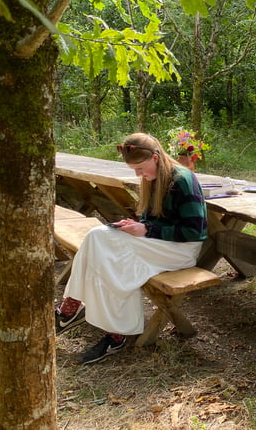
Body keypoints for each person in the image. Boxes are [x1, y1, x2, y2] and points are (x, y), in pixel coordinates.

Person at [55, 133, 209, 364]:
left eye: (140, 168)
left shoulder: (182, 179)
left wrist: (147, 231)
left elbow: (195, 231)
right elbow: (155, 221)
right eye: (134, 170)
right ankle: (108, 328)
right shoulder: (153, 179)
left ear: (156, 157)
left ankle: (73, 310)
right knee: (102, 244)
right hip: (160, 245)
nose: (138, 175)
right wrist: (139, 226)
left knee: (99, 239)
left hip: (181, 250)